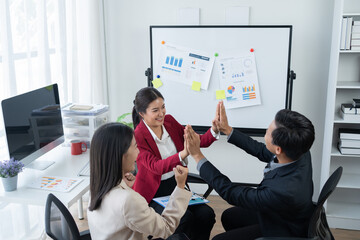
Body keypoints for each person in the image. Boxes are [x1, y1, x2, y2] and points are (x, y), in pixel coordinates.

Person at [184, 101, 315, 240]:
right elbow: (260, 150)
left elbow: (231, 193)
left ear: (278, 149)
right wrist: (227, 129)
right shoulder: (299, 151)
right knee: (229, 217)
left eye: (268, 132)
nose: (266, 131)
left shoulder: (282, 191)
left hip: (282, 228)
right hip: (284, 212)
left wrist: (197, 156)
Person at [132, 87, 217, 240]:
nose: (162, 113)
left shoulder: (169, 121)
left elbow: (196, 141)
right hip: (154, 193)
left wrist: (214, 130)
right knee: (184, 219)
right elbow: (156, 167)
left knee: (207, 215)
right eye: (155, 110)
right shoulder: (138, 136)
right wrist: (183, 153)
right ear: (142, 114)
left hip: (177, 184)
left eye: (163, 107)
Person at [87, 123, 192, 240]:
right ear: (122, 155)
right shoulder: (127, 199)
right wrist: (180, 187)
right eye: (136, 147)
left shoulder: (96, 188)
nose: (138, 152)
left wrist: (125, 186)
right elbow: (166, 227)